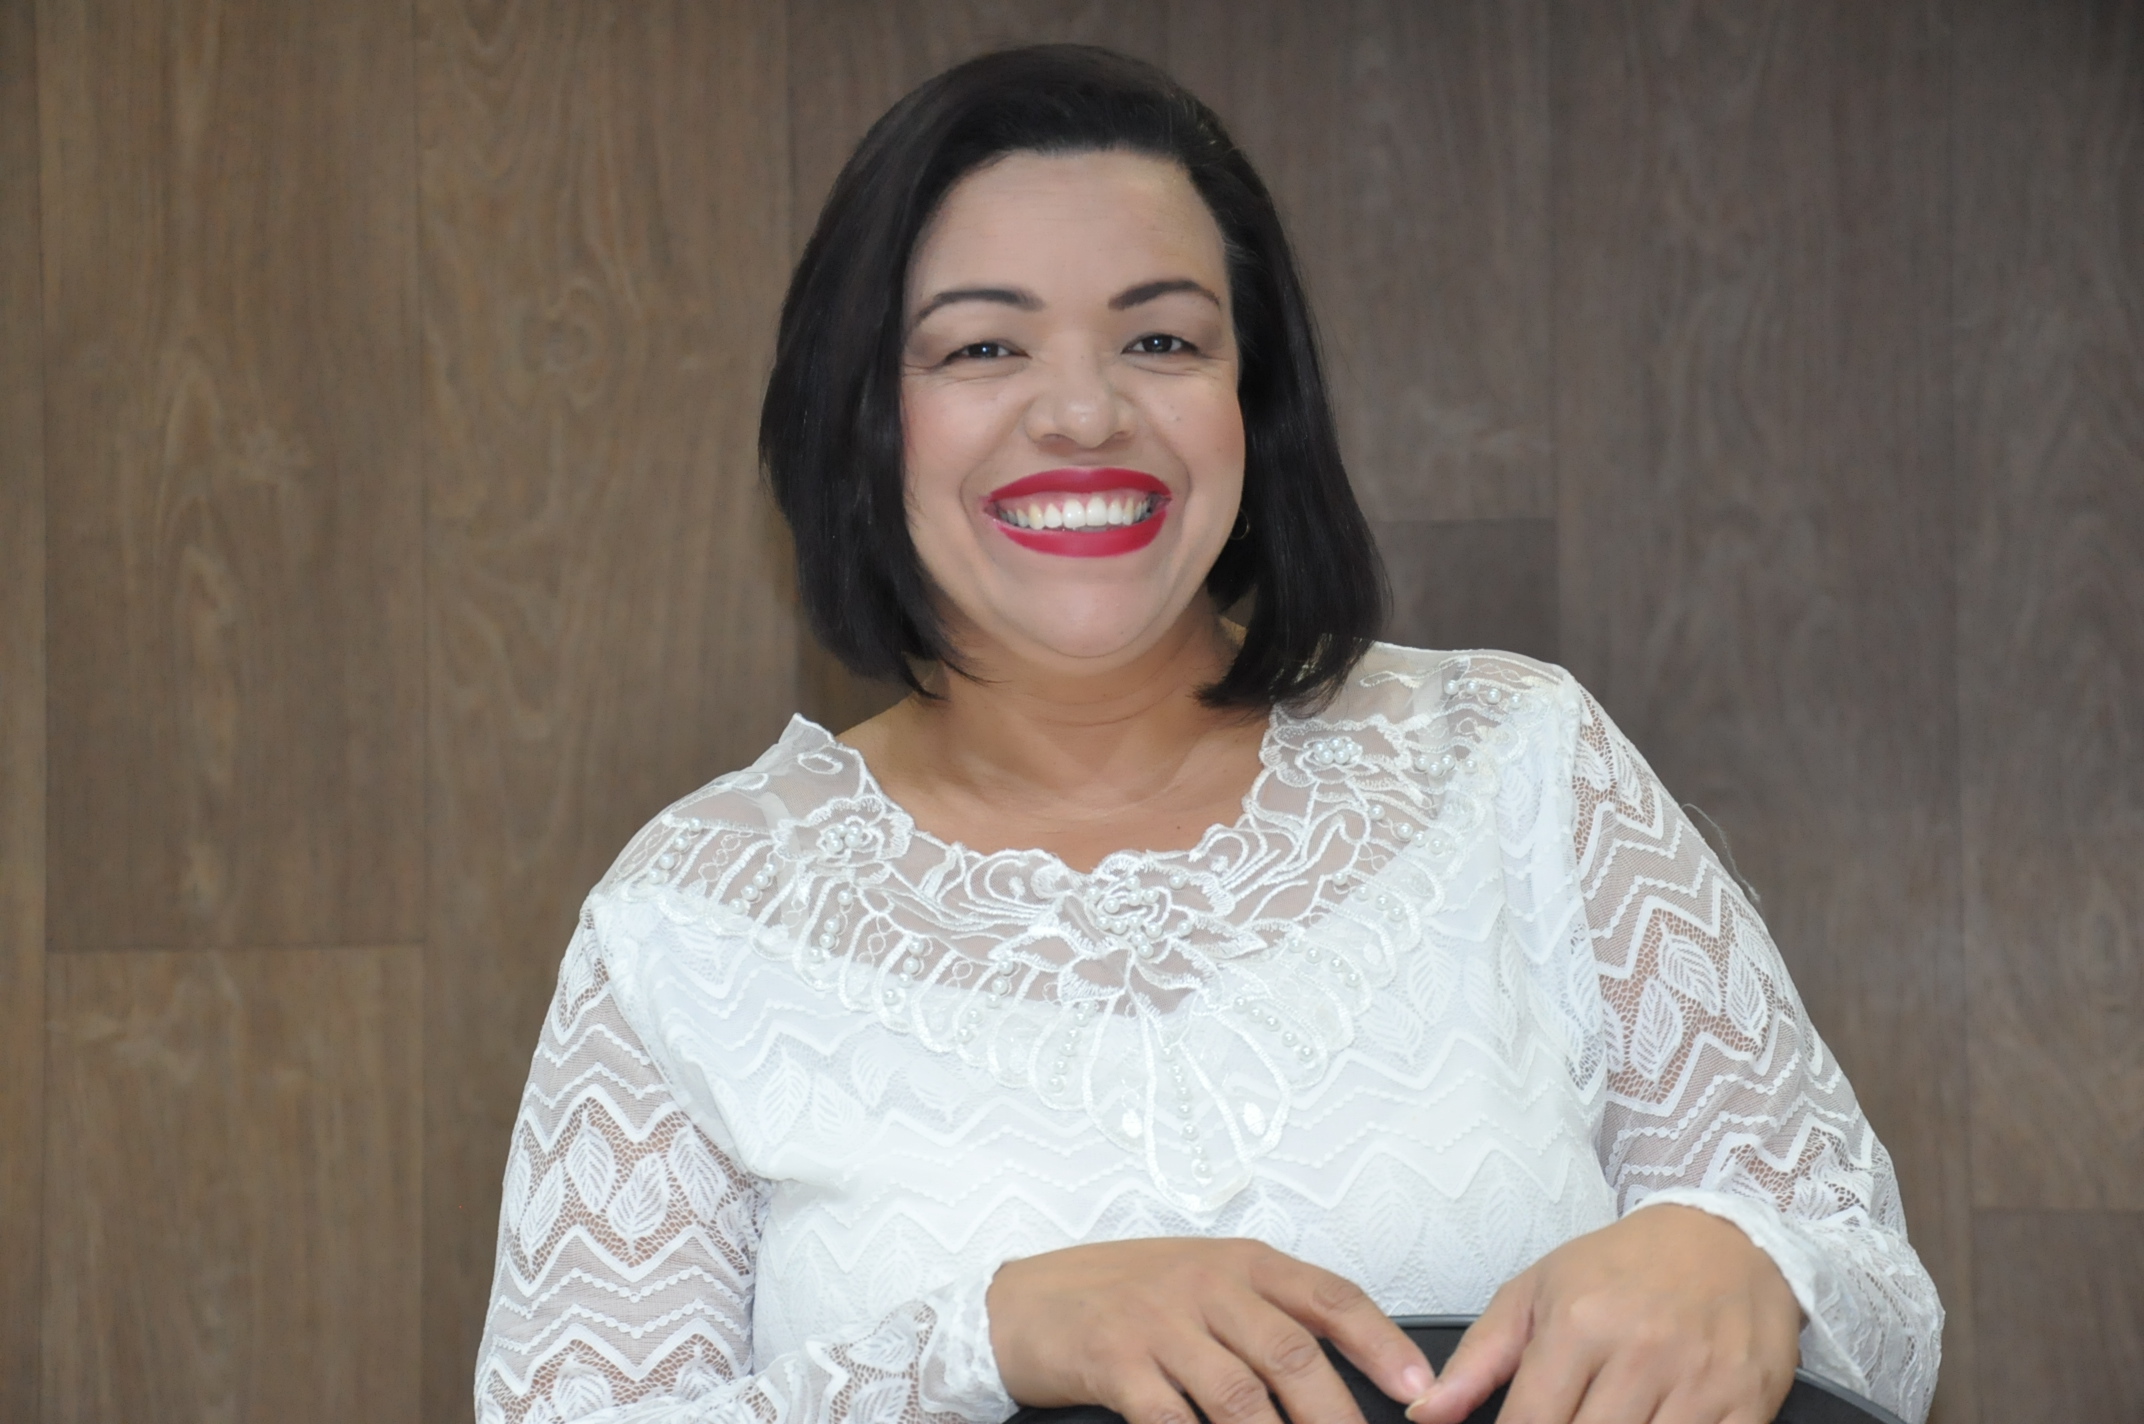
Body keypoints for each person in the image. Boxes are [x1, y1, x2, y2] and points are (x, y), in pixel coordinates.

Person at [475, 46, 1941, 1424]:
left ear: (1255, 402)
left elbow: (1873, 1296)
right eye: (982, 347)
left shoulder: (1516, 761)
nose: (1082, 411)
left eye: (1162, 338)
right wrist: (986, 1338)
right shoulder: (691, 917)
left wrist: (1748, 1257)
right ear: (857, 414)